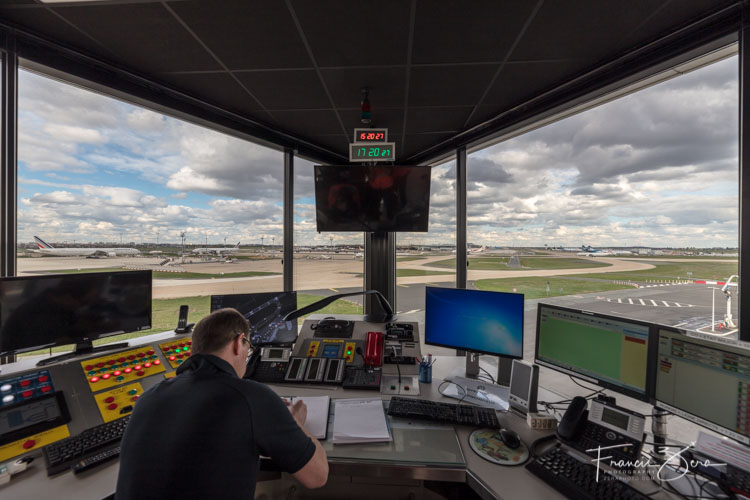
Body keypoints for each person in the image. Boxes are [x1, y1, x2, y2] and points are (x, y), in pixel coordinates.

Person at [115, 308, 328, 499]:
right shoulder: (251, 397)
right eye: (249, 347)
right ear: (239, 342)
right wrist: (296, 423)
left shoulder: (148, 397)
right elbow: (317, 477)